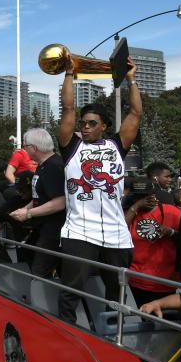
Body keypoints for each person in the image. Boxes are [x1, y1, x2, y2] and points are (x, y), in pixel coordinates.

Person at [55, 57, 141, 323]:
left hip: (116, 233)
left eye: (92, 123)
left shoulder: (117, 145)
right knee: (71, 291)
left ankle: (114, 338)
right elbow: (68, 108)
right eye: (84, 123)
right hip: (80, 231)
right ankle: (68, 334)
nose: (85, 127)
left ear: (104, 125)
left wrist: (131, 79)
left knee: (117, 294)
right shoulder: (72, 147)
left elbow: (136, 114)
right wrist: (69, 73)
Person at [10, 128, 66, 278]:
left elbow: (60, 202)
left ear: (33, 148)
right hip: (43, 228)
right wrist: (24, 209)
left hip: (54, 231)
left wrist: (28, 213)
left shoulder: (54, 167)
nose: (23, 150)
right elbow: (39, 197)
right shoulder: (43, 166)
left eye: (25, 146)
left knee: (40, 272)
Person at [124, 178, 181, 307]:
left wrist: (170, 232)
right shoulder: (131, 213)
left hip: (165, 281)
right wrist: (136, 206)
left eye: (146, 196)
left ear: (154, 195)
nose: (144, 200)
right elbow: (120, 231)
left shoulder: (171, 212)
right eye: (139, 197)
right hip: (136, 280)